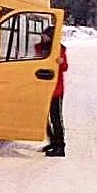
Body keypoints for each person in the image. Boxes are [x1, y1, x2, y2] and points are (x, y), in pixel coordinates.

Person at [35, 26, 67, 157]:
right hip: (41, 88)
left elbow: (65, 67)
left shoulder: (58, 49)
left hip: (55, 90)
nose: (43, 37)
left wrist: (61, 62)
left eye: (46, 35)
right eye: (43, 35)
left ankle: (60, 146)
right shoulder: (39, 48)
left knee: (56, 118)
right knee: (43, 117)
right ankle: (52, 141)